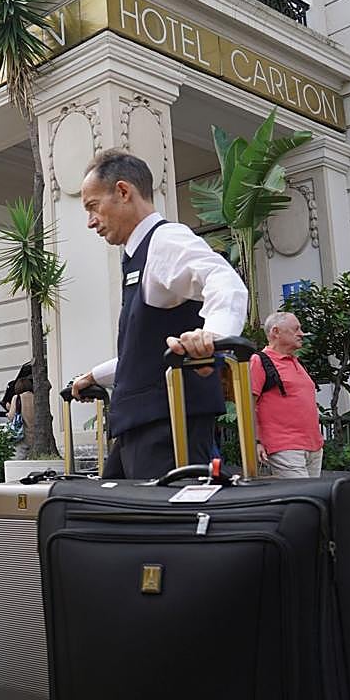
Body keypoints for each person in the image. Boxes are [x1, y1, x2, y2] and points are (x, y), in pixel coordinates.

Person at [70, 149, 248, 479]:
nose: (91, 221)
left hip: (167, 429)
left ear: (123, 192)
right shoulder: (137, 255)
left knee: (163, 528)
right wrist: (94, 376)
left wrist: (213, 338)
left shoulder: (165, 239)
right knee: (111, 521)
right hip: (141, 428)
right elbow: (147, 352)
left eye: (93, 207)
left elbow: (225, 281)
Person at [251, 312, 324, 478]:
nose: (301, 333)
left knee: (313, 500)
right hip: (285, 447)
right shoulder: (260, 361)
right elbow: (248, 405)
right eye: (296, 329)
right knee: (302, 499)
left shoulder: (295, 361)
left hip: (313, 446)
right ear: (276, 332)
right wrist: (255, 442)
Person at [6, 377, 35, 459]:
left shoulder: (17, 398)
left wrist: (8, 409)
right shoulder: (36, 397)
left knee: (19, 461)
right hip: (35, 437)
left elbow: (11, 417)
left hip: (22, 436)